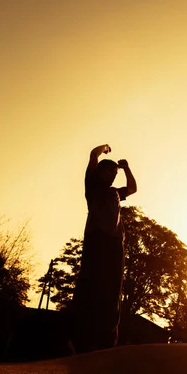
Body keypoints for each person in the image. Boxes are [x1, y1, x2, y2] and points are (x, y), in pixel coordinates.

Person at [70, 144, 137, 353]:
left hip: (115, 244)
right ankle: (80, 338)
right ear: (100, 172)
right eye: (108, 172)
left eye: (114, 173)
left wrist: (126, 168)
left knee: (112, 290)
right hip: (96, 240)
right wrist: (104, 148)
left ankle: (106, 340)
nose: (111, 176)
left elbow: (133, 188)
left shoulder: (115, 193)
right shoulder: (92, 186)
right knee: (89, 284)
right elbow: (92, 154)